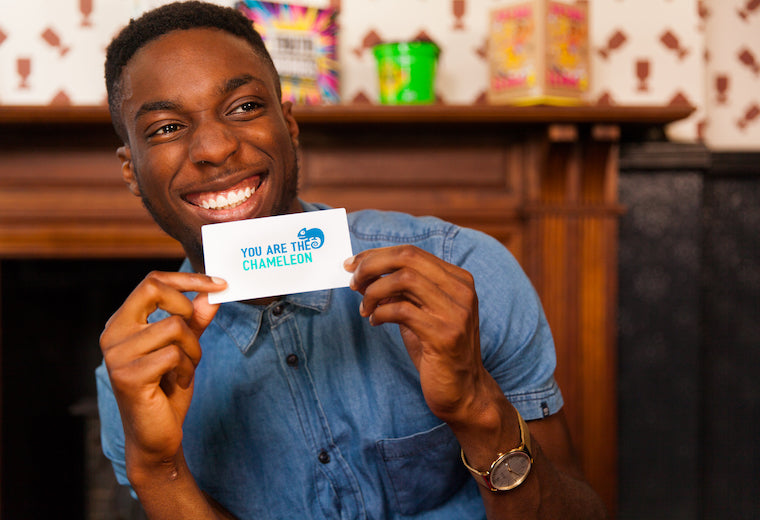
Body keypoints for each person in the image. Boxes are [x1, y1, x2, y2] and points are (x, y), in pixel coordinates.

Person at [96, 2, 607, 519]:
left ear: (288, 125)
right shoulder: (135, 376)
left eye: (244, 107)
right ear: (131, 172)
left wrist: (477, 407)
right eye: (165, 128)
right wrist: (157, 470)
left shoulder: (464, 269)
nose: (214, 147)